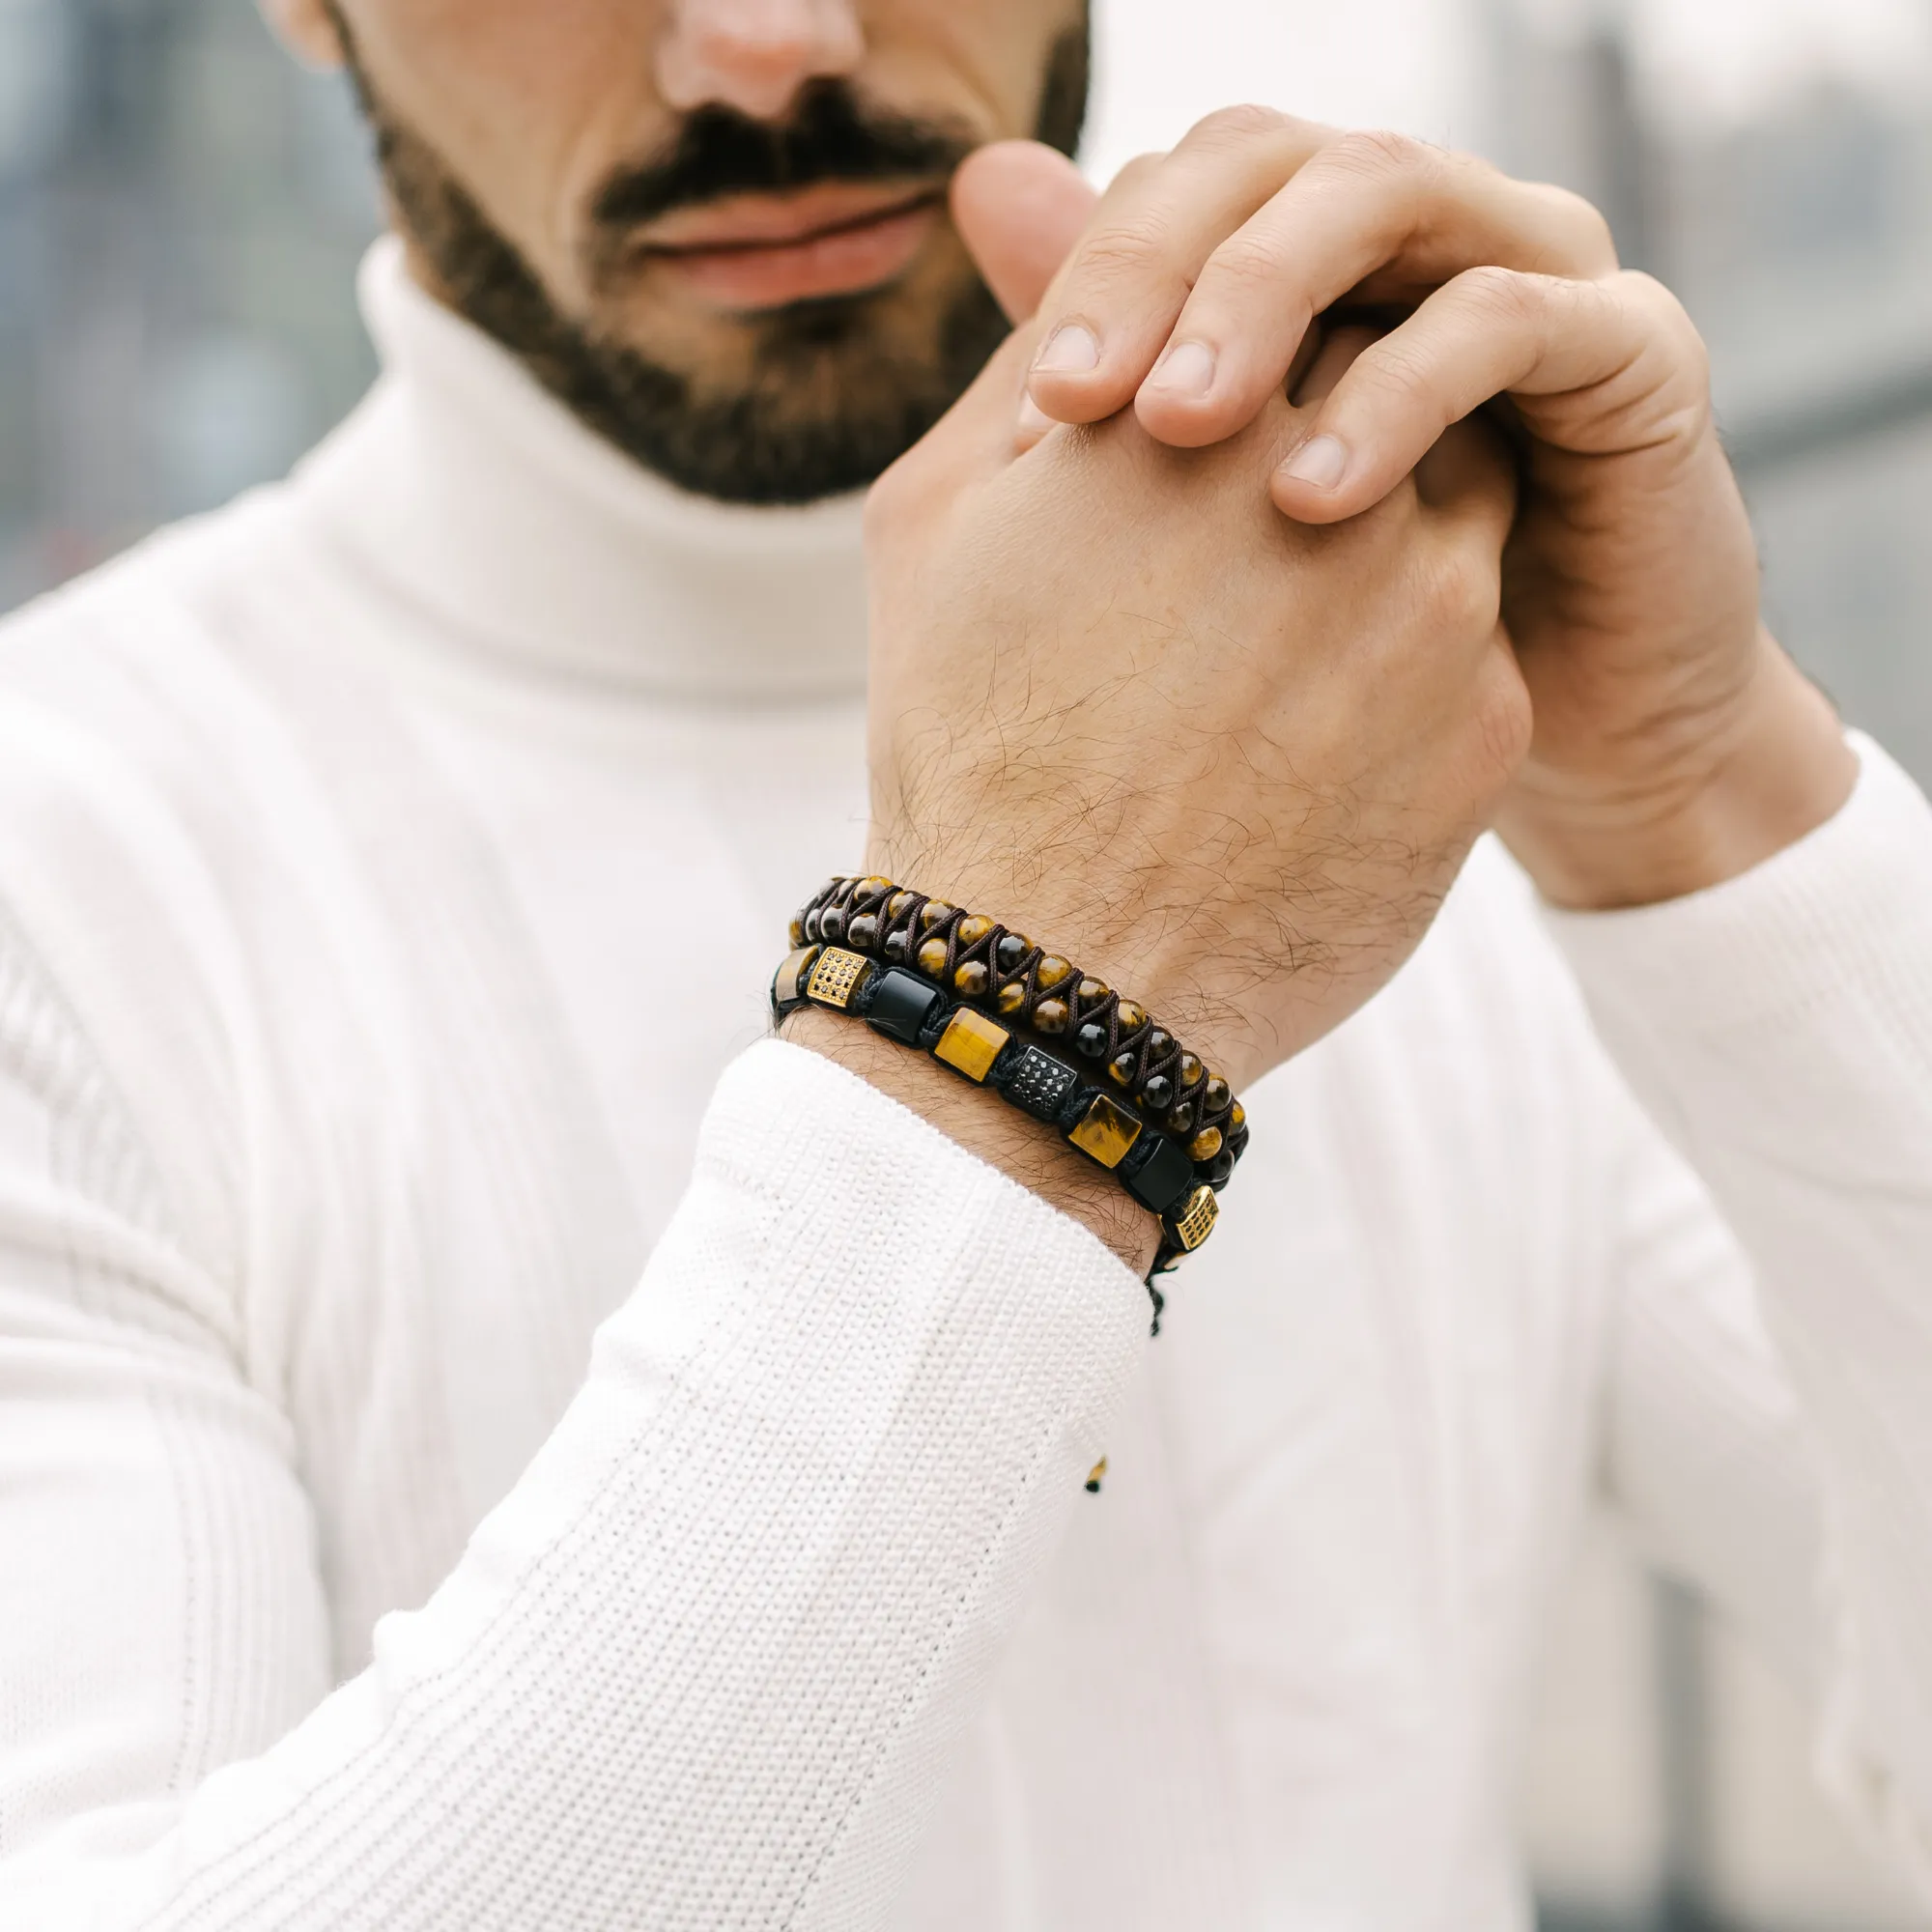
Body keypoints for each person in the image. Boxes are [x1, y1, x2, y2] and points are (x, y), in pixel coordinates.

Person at [3, 1, 1930, 1925]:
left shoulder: (1422, 677)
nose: (766, 46)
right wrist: (1017, 1020)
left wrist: (1705, 799)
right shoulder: (62, 867)